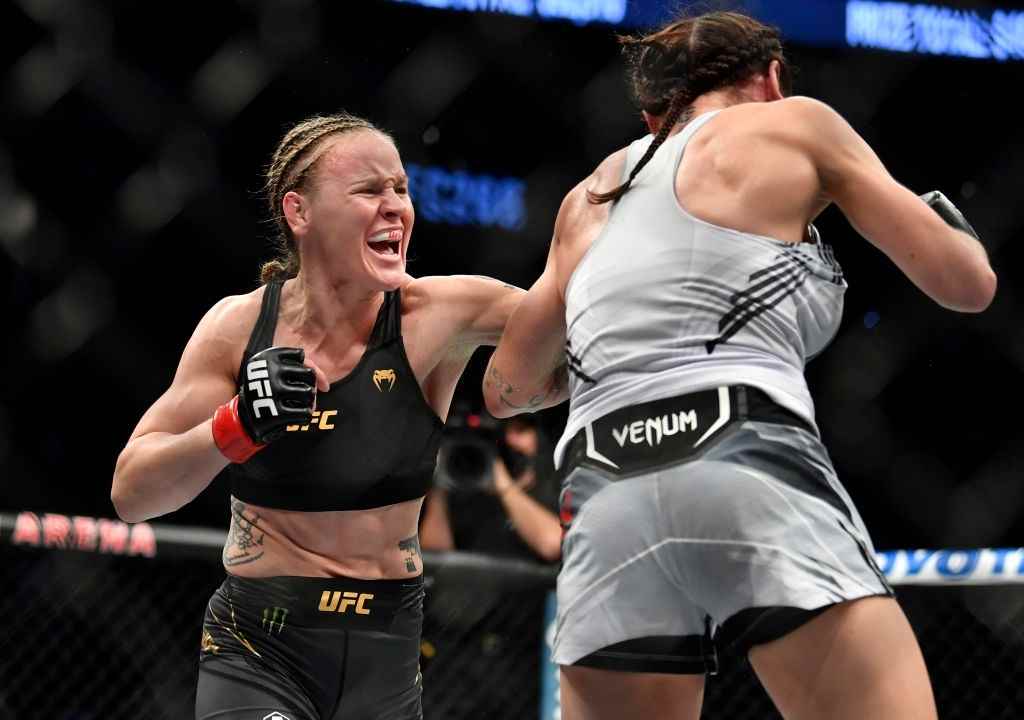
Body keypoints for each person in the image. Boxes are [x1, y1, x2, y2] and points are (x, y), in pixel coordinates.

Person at [482, 10, 995, 720]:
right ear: (771, 77)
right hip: (738, 446)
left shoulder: (588, 198)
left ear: (650, 113)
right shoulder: (798, 125)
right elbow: (965, 286)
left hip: (602, 491)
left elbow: (506, 389)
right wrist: (953, 230)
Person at [110, 112, 524, 720]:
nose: (394, 207)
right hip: (258, 644)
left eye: (401, 189)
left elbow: (575, 325)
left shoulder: (441, 314)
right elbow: (132, 493)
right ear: (298, 212)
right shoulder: (238, 328)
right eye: (368, 190)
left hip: (390, 647)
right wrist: (236, 426)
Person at [420, 415, 562, 563]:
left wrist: (503, 484)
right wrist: (438, 485)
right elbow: (433, 561)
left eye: (520, 430)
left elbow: (554, 545)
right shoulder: (460, 489)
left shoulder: (555, 483)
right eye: (502, 430)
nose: (509, 440)